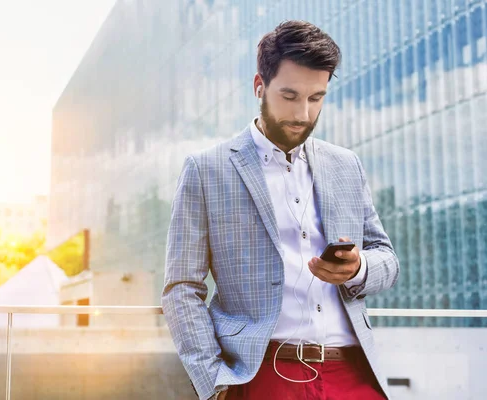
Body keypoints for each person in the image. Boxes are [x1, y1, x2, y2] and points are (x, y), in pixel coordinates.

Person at [161, 20, 399, 400]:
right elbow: (181, 288)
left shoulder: (346, 165)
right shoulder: (206, 170)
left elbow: (387, 259)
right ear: (260, 87)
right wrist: (214, 382)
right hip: (262, 375)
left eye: (316, 98)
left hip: (352, 374)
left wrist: (359, 268)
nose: (303, 114)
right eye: (289, 96)